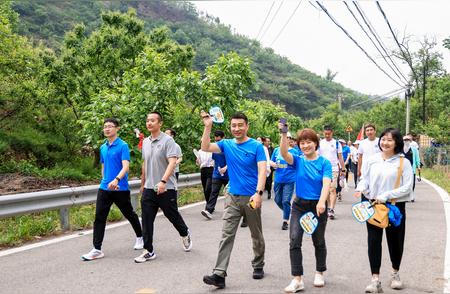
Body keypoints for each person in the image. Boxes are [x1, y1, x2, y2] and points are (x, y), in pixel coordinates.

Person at [201, 111, 267, 289]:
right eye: (233, 126)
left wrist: (259, 193)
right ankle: (219, 274)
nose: (236, 129)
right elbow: (206, 147)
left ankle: (258, 264)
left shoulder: (256, 146)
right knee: (226, 235)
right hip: (232, 197)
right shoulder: (227, 144)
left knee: (256, 234)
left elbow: (262, 170)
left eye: (240, 125)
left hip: (251, 197)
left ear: (247, 126)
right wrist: (208, 127)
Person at [354, 128, 413, 293]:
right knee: (373, 241)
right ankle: (375, 279)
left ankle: (395, 273)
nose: (385, 142)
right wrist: (360, 188)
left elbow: (407, 187)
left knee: (395, 242)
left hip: (395, 207)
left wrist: (386, 195)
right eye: (383, 139)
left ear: (397, 143)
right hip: (373, 205)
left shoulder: (404, 162)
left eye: (390, 140)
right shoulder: (372, 159)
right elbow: (365, 178)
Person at [81, 118, 143, 261]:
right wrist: (105, 179)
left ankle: (140, 237)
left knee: (129, 214)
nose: (107, 129)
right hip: (104, 188)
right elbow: (103, 166)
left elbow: (125, 166)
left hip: (120, 188)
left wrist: (116, 180)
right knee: (99, 218)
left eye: (110, 126)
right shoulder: (103, 147)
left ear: (117, 128)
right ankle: (97, 249)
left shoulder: (123, 145)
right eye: (105, 127)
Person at [134, 112, 192, 263]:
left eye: (152, 120)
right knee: (146, 219)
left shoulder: (168, 141)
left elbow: (172, 162)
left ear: (160, 123)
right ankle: (148, 250)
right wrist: (143, 184)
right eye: (147, 120)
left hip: (167, 187)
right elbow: (145, 164)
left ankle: (184, 232)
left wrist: (163, 181)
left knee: (172, 215)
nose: (149, 123)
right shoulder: (145, 142)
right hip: (149, 188)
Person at [279, 127, 332, 293]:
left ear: (315, 143)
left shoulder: (324, 163)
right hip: (299, 205)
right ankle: (297, 279)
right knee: (294, 239)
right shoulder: (298, 160)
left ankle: (319, 272)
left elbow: (326, 183)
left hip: (318, 206)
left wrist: (322, 202)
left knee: (318, 240)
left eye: (309, 142)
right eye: (302, 143)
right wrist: (283, 135)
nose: (305, 145)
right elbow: (283, 153)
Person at [270, 132, 298, 230]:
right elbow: (270, 161)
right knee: (278, 200)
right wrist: (272, 164)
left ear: (290, 139)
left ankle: (285, 221)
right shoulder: (277, 150)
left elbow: (298, 164)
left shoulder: (294, 152)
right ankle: (289, 211)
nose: (286, 139)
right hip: (278, 179)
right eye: (283, 137)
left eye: (288, 137)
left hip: (290, 179)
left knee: (286, 200)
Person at [318, 125, 345, 219]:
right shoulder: (320, 143)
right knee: (326, 190)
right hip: (322, 169)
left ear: (332, 133)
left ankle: (332, 209)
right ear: (323, 133)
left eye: (328, 134)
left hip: (334, 169)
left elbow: (340, 157)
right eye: (325, 134)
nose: (327, 135)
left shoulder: (337, 143)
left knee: (332, 189)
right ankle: (329, 207)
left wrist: (343, 169)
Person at [201, 130, 229, 219]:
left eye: (219, 140)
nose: (217, 142)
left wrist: (226, 167)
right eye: (216, 140)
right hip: (217, 174)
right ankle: (209, 210)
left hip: (229, 175)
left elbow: (234, 161)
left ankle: (229, 211)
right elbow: (215, 160)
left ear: (223, 138)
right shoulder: (214, 149)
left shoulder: (228, 148)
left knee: (229, 193)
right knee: (213, 192)